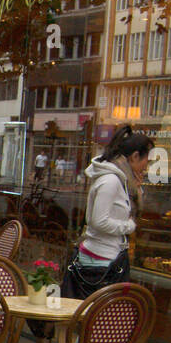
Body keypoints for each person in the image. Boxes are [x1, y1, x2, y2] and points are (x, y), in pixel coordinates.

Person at [61, 125, 153, 300]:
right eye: (146, 159)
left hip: (108, 258)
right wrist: (128, 226)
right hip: (100, 262)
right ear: (134, 156)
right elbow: (98, 220)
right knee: (99, 318)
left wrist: (137, 190)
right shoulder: (111, 181)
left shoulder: (122, 180)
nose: (146, 165)